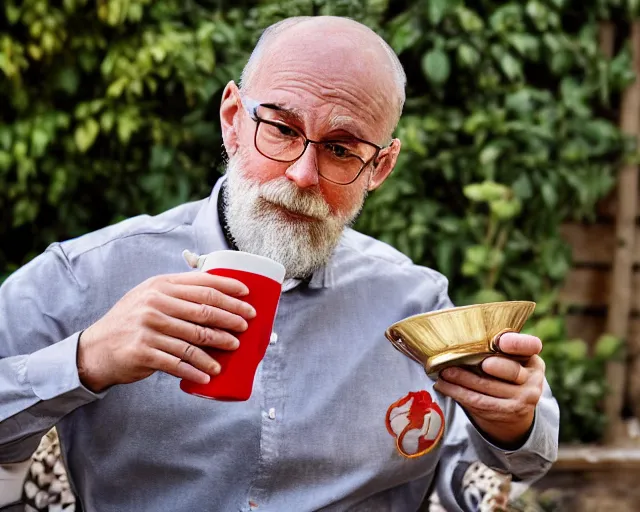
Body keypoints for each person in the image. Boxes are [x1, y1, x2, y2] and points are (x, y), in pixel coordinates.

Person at [0, 15, 558, 512]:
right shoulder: (87, 275)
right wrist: (87, 358)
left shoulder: (414, 302)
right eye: (283, 129)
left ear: (380, 168)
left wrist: (512, 422)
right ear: (232, 119)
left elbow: (518, 456)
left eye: (342, 149)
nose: (302, 174)